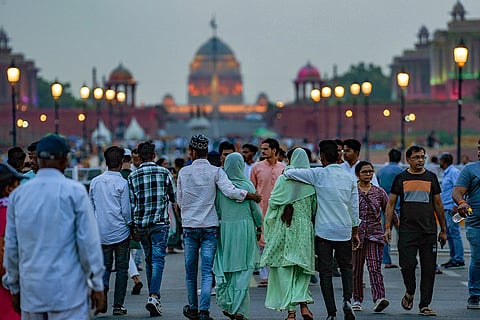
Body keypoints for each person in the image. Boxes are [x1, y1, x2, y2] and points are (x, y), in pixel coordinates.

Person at [3, 134, 105, 318]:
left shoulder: (19, 195)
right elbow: (88, 243)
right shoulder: (74, 192)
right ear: (64, 160)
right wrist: (97, 284)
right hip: (68, 292)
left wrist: (15, 287)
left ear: (38, 160)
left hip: (32, 290)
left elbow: (11, 246)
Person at [177, 134, 261, 320]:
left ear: (192, 151)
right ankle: (204, 311)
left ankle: (193, 307)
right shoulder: (216, 172)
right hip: (209, 227)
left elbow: (180, 201)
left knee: (191, 272)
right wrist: (250, 195)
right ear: (206, 152)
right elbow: (230, 191)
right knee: (207, 271)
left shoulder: (183, 172)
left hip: (190, 227)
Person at [283, 140, 360, 320]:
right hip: (344, 230)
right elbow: (354, 208)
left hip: (324, 231)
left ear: (322, 157)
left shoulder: (318, 174)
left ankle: (331, 313)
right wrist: (354, 231)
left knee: (325, 273)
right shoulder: (349, 177)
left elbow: (290, 173)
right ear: (339, 156)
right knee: (347, 268)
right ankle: (347, 300)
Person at [384, 145, 447, 316]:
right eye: (417, 157)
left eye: (422, 157)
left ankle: (424, 305)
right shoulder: (401, 178)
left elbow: (438, 205)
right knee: (407, 265)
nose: (420, 160)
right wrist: (388, 227)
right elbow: (390, 204)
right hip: (407, 231)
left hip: (428, 231)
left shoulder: (431, 177)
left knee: (428, 269)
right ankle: (410, 291)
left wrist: (443, 230)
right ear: (408, 160)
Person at [261, 148, 316, 320]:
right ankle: (304, 305)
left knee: (285, 270)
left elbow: (273, 203)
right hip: (304, 230)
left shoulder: (283, 179)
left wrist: (268, 228)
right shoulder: (311, 181)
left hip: (283, 227)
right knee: (302, 269)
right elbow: (314, 208)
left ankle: (291, 313)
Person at [128, 141, 177, 317]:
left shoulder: (133, 177)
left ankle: (153, 297)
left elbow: (131, 205)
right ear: (154, 156)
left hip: (141, 225)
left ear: (139, 157)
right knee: (157, 260)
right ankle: (154, 296)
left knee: (149, 260)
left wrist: (132, 226)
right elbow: (173, 197)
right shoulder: (164, 173)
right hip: (159, 224)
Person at [213, 152, 263, 320]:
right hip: (245, 229)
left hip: (225, 230)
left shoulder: (221, 186)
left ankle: (228, 303)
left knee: (227, 268)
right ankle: (239, 309)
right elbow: (256, 211)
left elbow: (218, 209)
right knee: (244, 270)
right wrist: (258, 228)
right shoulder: (247, 186)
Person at [89, 146, 131, 315]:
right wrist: (131, 225)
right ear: (121, 162)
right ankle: (118, 306)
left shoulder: (95, 182)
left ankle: (103, 291)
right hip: (120, 232)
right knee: (121, 270)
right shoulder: (122, 183)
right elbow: (126, 211)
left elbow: (91, 208)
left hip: (101, 233)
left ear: (106, 162)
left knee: (104, 268)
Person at [352, 161, 398, 313]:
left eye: (371, 171)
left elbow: (389, 210)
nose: (368, 174)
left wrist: (396, 228)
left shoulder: (379, 192)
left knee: (374, 268)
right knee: (356, 269)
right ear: (358, 174)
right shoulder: (351, 191)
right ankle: (357, 299)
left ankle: (379, 298)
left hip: (375, 235)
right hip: (355, 236)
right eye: (365, 172)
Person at [250, 138, 286, 287]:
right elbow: (252, 189)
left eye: (265, 149)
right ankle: (264, 276)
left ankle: (276, 274)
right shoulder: (256, 167)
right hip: (262, 210)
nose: (262, 151)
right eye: (262, 149)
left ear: (274, 150)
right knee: (262, 243)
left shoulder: (284, 168)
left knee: (277, 242)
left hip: (280, 211)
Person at [452, 140, 480, 309]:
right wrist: (462, 202)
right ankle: (475, 295)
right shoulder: (470, 169)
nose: (479, 152)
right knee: (478, 258)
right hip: (476, 223)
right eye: (479, 148)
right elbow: (457, 191)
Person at [0, 163, 25, 320]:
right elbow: (2, 255)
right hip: (7, 292)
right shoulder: (7, 214)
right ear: (9, 189)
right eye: (17, 186)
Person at [377, 148, 404, 269]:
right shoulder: (401, 171)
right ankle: (404, 258)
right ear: (399, 158)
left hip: (385, 206)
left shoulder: (381, 171)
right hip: (398, 206)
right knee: (403, 234)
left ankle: (386, 260)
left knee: (386, 233)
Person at [439, 153, 464, 269]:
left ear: (444, 161)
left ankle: (459, 259)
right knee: (449, 233)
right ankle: (454, 257)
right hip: (446, 208)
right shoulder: (447, 173)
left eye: (440, 161)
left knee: (454, 233)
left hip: (452, 208)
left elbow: (459, 188)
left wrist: (456, 205)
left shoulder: (453, 172)